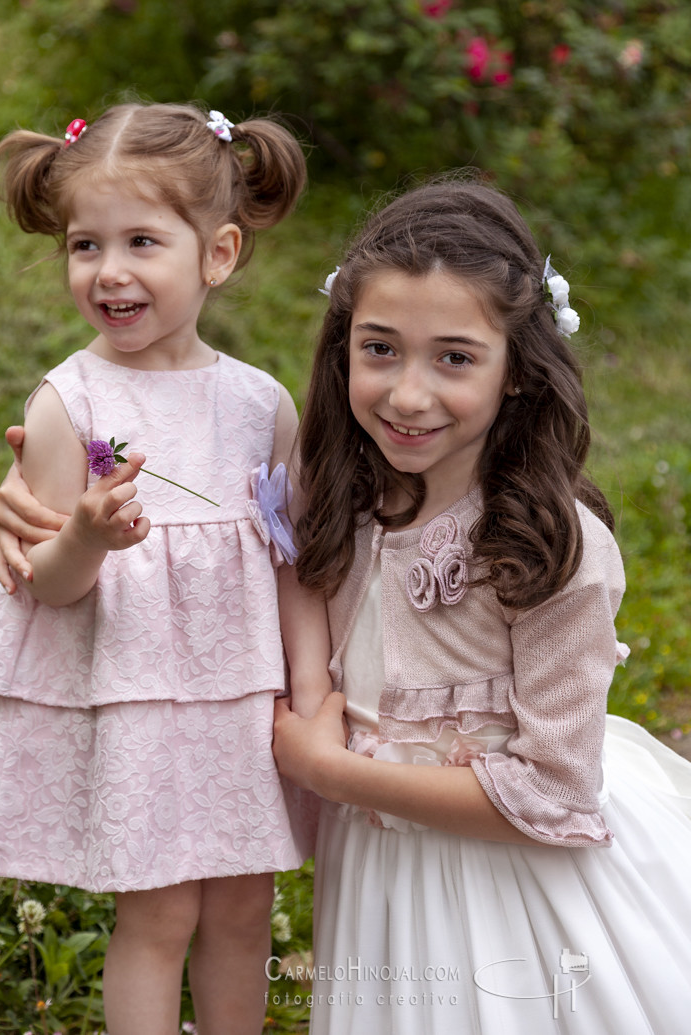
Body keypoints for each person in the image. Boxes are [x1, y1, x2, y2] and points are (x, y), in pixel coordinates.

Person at [269, 177, 691, 1033]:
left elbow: (556, 791)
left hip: (514, 879)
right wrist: (36, 494)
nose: (408, 394)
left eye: (454, 357)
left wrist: (330, 771)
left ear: (518, 375)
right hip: (385, 873)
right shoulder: (337, 497)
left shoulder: (549, 548)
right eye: (380, 349)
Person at [0, 101, 324, 1035]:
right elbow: (47, 582)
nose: (109, 270)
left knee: (244, 907)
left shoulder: (259, 403)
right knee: (158, 911)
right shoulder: (68, 404)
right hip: (139, 693)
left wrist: (309, 692)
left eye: (142, 242)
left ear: (219, 254)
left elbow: (291, 559)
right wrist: (87, 535)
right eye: (86, 245)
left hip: (240, 694)